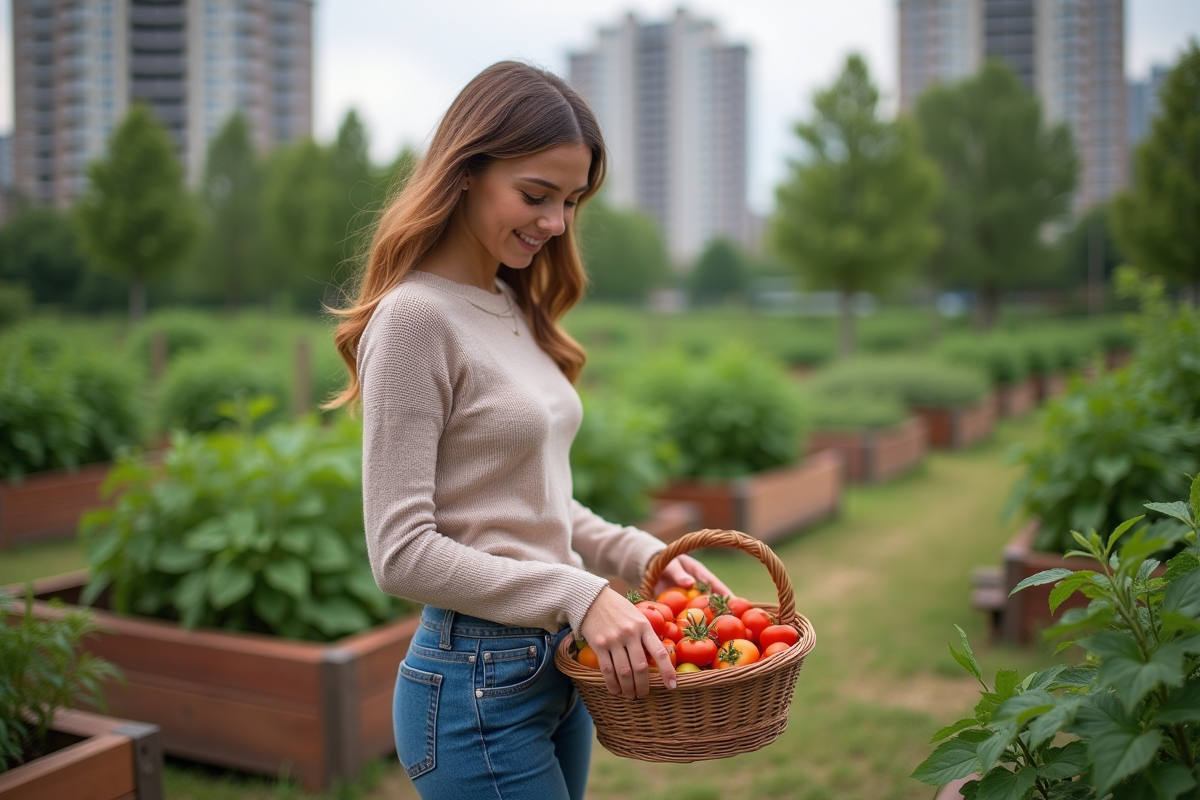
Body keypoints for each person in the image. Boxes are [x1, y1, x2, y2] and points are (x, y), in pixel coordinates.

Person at [326, 61, 729, 799]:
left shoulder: (510, 302)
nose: (557, 223)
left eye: (572, 200)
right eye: (536, 195)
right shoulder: (416, 319)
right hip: (476, 684)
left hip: (554, 668)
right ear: (467, 172)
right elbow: (401, 553)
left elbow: (529, 503)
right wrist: (576, 592)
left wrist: (639, 553)